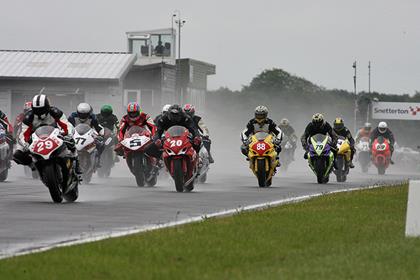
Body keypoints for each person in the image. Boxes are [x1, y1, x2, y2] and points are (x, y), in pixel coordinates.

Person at [13, 94, 81, 174]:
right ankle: (32, 164)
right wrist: (25, 143)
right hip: (36, 138)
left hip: (55, 135)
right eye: (37, 110)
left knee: (71, 141)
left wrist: (67, 134)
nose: (39, 112)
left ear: (47, 107)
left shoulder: (55, 112)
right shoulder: (28, 117)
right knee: (17, 154)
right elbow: (24, 133)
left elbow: (65, 124)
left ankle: (76, 163)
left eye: (42, 109)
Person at [68, 103, 105, 167]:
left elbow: (98, 127)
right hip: (75, 134)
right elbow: (68, 125)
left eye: (85, 114)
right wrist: (67, 133)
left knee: (101, 144)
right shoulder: (72, 116)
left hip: (88, 135)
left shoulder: (93, 117)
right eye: (81, 114)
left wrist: (101, 135)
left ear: (89, 113)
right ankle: (67, 160)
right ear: (77, 112)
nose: (83, 116)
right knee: (66, 144)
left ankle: (98, 159)